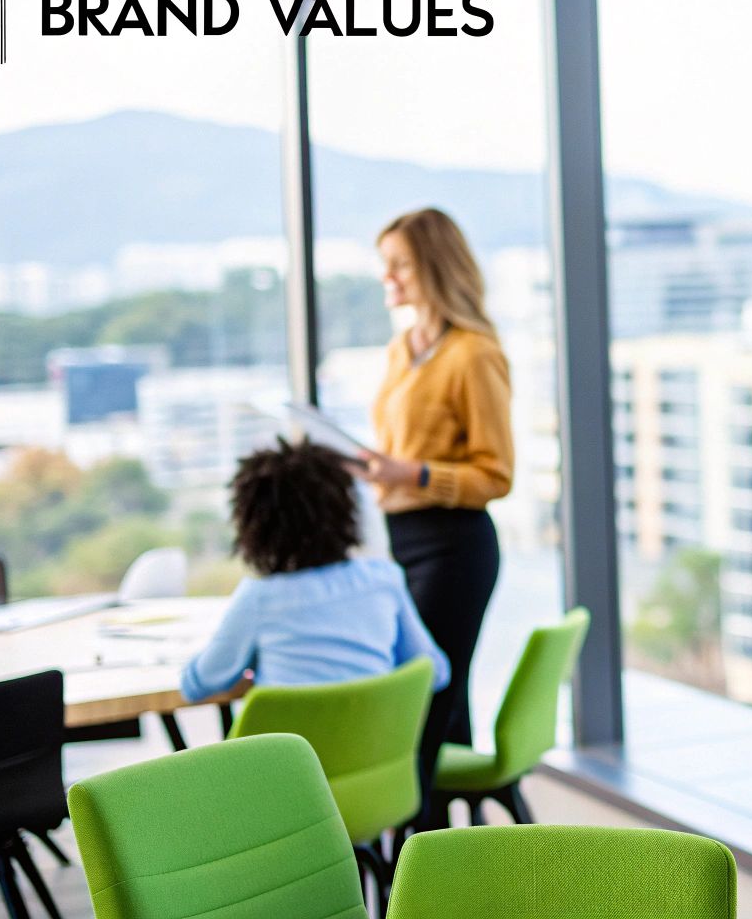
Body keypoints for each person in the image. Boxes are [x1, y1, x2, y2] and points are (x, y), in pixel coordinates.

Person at [356, 206, 513, 824]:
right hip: (402, 539)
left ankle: (412, 870)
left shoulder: (474, 354)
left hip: (454, 547)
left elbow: (495, 475)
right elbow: (403, 451)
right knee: (437, 707)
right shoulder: (403, 349)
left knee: (421, 709)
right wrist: (374, 467)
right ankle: (448, 862)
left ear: (434, 266)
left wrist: (413, 474)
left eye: (400, 265)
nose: (387, 278)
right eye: (384, 266)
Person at [179, 438, 449, 703]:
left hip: (287, 749)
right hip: (376, 746)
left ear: (253, 526)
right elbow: (435, 672)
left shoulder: (259, 598)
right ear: (345, 509)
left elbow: (197, 685)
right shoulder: (383, 579)